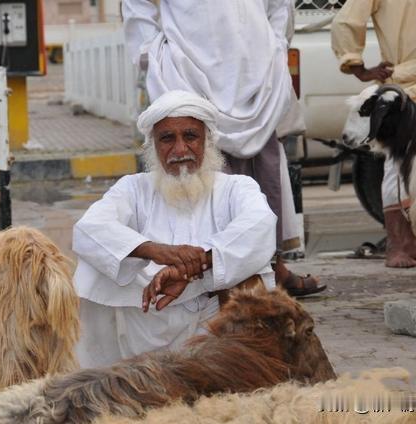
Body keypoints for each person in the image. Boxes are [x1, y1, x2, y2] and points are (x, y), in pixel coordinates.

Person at [122, 0, 325, 296]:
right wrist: (155, 55)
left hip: (256, 78)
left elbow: (280, 6)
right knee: (201, 177)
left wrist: (276, 45)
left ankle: (271, 268)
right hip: (189, 72)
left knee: (266, 174)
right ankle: (204, 275)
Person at [72, 90, 277, 368]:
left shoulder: (235, 188)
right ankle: (100, 375)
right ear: (153, 146)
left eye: (190, 136)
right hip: (143, 320)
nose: (180, 150)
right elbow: (89, 228)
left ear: (208, 140)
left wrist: (196, 267)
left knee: (253, 275)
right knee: (94, 264)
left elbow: (260, 226)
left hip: (215, 320)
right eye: (167, 139)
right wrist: (158, 252)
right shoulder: (133, 188)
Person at [331, 0, 416, 268]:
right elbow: (346, 20)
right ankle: (398, 244)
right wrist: (358, 67)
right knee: (399, 166)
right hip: (409, 86)